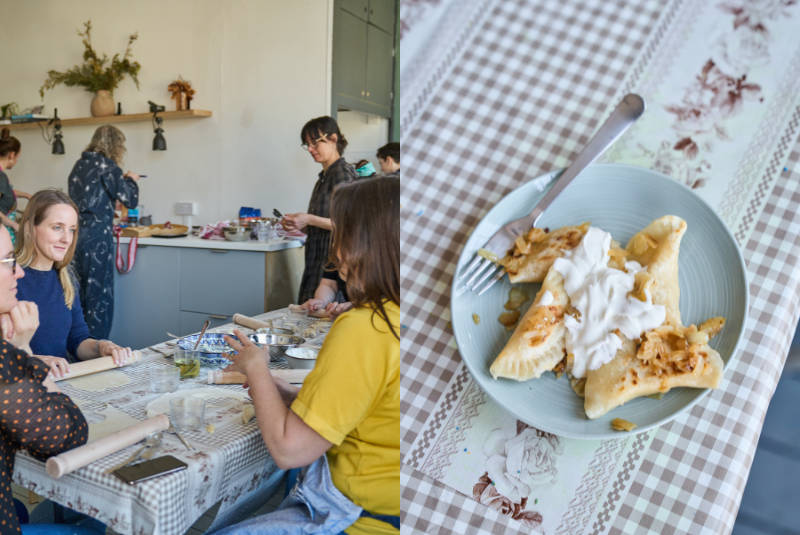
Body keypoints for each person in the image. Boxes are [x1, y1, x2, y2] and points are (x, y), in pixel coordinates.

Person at [219, 177, 400, 535]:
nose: (335, 250)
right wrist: (291, 395)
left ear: (364, 244)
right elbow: (370, 409)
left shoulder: (365, 328)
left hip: (358, 519)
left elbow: (289, 451)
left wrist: (256, 367)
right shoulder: (404, 317)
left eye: (341, 235)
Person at [0, 223, 92, 535]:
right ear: (31, 229)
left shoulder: (66, 279)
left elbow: (79, 336)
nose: (18, 272)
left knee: (24, 510)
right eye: (7, 261)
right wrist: (22, 350)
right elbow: (69, 436)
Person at [15, 189, 133, 379]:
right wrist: (32, 360)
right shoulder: (9, 279)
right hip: (18, 386)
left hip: (59, 382)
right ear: (29, 228)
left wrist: (100, 346)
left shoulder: (66, 279)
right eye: (57, 227)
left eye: (72, 229)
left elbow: (77, 340)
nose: (67, 239)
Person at [68, 125, 140, 340]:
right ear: (116, 146)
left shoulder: (79, 165)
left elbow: (88, 198)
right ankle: (96, 350)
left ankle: (76, 348)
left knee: (77, 294)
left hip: (75, 236)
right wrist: (131, 180)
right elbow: (130, 199)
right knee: (99, 299)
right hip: (97, 238)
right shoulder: (108, 166)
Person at [282, 116, 358, 303]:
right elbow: (324, 226)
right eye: (307, 144)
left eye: (315, 143)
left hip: (334, 270)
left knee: (325, 315)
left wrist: (309, 219)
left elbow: (352, 224)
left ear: (333, 139)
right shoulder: (323, 177)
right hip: (316, 262)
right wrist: (299, 224)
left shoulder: (342, 174)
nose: (310, 149)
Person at [0, 128, 33, 244]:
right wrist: (14, 225)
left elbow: (7, 191)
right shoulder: (1, 176)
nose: (17, 160)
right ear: (12, 155)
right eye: (18, 157)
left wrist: (26, 195)